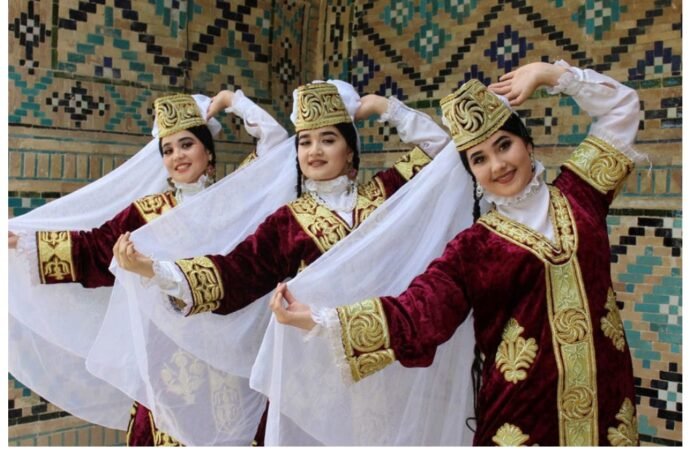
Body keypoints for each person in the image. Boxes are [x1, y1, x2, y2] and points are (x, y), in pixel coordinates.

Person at [271, 61, 643, 446]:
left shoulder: (581, 194)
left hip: (608, 407)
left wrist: (549, 74)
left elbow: (623, 108)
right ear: (471, 171)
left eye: (504, 145)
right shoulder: (472, 248)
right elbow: (416, 314)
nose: (498, 165)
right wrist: (320, 319)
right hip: (520, 420)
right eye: (479, 158)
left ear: (527, 144)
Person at [112, 79, 451, 443]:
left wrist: (384, 108)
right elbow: (235, 273)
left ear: (350, 151)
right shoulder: (289, 222)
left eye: (328, 139)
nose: (314, 150)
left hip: (381, 361)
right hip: (313, 378)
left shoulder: (383, 197)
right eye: (305, 142)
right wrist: (155, 270)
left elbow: (443, 150)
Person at [8, 90, 288, 446]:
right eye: (168, 150)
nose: (177, 156)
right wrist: (26, 243)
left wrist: (231, 101)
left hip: (227, 349)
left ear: (208, 151)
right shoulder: (149, 212)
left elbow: (276, 142)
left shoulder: (233, 198)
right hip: (170, 357)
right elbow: (96, 248)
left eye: (186, 144)